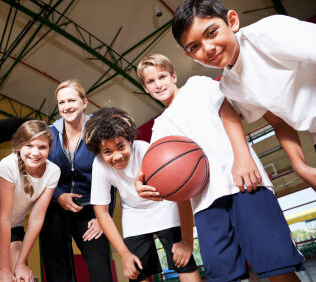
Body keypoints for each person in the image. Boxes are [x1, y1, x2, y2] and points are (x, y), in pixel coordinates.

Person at [135, 54, 304, 281]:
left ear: (173, 76)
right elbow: (160, 171)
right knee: (224, 276)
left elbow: (228, 113)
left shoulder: (197, 85)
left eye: (162, 76)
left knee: (277, 267)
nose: (158, 84)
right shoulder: (160, 127)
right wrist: (144, 183)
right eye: (151, 82)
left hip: (243, 184)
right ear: (145, 88)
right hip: (205, 204)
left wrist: (243, 157)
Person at [171, 0, 316, 188]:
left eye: (212, 33)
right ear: (189, 56)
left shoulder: (269, 32)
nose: (208, 48)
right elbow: (279, 122)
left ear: (232, 21)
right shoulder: (230, 87)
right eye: (194, 47)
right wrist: (301, 167)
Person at [84, 107, 201, 282]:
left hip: (164, 206)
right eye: (107, 152)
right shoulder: (100, 165)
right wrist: (124, 254)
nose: (116, 156)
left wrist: (186, 242)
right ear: (99, 151)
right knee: (136, 271)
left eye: (121, 147)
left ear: (130, 140)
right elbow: (101, 212)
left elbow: (178, 193)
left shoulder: (145, 150)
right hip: (134, 215)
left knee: (183, 262)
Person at [39, 79, 113, 282]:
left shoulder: (99, 132)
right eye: (61, 102)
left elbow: (111, 176)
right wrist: (58, 195)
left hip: (90, 208)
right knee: (57, 269)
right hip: (55, 207)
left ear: (84, 102)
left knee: (100, 268)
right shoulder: (49, 134)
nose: (66, 106)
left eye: (72, 100)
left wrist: (103, 217)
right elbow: (39, 172)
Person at [0, 120, 60, 282]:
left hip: (14, 227)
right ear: (19, 146)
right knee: (4, 278)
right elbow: (3, 217)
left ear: (49, 148)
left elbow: (37, 217)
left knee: (23, 278)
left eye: (42, 147)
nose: (35, 152)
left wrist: (20, 264)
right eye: (29, 146)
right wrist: (4, 269)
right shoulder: (8, 166)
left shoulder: (53, 171)